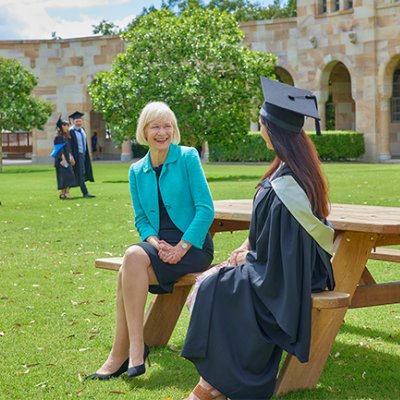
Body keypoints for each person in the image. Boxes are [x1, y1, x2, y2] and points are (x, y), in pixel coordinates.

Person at [181, 77, 335, 400]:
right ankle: (215, 384)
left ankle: (217, 386)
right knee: (217, 283)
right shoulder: (291, 170)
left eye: (262, 124)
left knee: (218, 287)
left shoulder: (288, 183)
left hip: (290, 275)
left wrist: (248, 259)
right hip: (284, 266)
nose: (261, 130)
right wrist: (247, 249)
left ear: (272, 131)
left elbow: (283, 251)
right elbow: (269, 239)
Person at [86, 101, 214, 381]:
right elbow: (142, 220)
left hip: (193, 247)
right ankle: (130, 350)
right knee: (132, 261)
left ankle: (127, 351)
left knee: (128, 266)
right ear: (144, 130)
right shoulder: (136, 170)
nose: (162, 132)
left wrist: (181, 248)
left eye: (167, 126)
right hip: (158, 247)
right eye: (155, 126)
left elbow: (206, 209)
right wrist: (157, 245)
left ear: (174, 129)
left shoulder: (188, 157)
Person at [68, 111, 95, 198]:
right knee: (79, 173)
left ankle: (65, 192)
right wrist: (71, 156)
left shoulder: (83, 130)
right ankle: (85, 192)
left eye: (79, 120)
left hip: (83, 154)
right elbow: (69, 145)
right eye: (76, 121)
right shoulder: (71, 131)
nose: (78, 122)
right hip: (76, 155)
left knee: (81, 173)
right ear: (73, 121)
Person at [51, 116, 76, 200]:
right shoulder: (58, 137)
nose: (67, 127)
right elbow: (60, 150)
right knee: (67, 176)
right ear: (62, 126)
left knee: (67, 176)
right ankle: (66, 193)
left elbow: (68, 149)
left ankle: (63, 193)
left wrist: (71, 157)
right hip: (62, 160)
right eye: (66, 125)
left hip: (66, 159)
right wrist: (64, 160)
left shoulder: (65, 136)